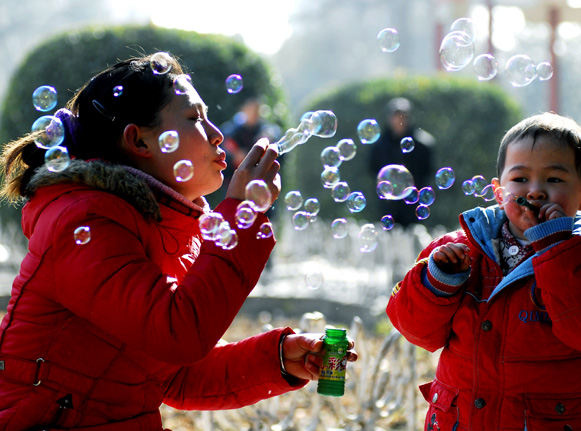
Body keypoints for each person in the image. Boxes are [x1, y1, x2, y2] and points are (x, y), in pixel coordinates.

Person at [0, 54, 356, 431]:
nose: (217, 134)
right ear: (138, 140)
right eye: (194, 118)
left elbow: (170, 376)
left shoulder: (161, 225)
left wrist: (278, 359)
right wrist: (244, 212)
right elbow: (177, 335)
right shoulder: (84, 219)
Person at [387, 112, 581, 430]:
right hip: (460, 420)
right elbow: (416, 331)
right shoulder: (458, 250)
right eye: (520, 179)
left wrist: (557, 249)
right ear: (498, 190)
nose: (535, 191)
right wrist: (439, 281)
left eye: (554, 179)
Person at [368, 97, 435, 227]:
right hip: (388, 206)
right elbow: (372, 168)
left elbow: (427, 170)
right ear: (389, 118)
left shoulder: (422, 144)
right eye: (396, 117)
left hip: (413, 206)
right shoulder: (380, 145)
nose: (400, 121)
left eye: (403, 117)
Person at [221, 97, 282, 170]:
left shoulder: (264, 130)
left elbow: (275, 133)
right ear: (244, 110)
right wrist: (235, 152)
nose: (253, 113)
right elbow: (225, 140)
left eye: (256, 110)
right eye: (250, 110)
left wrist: (269, 137)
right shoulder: (235, 129)